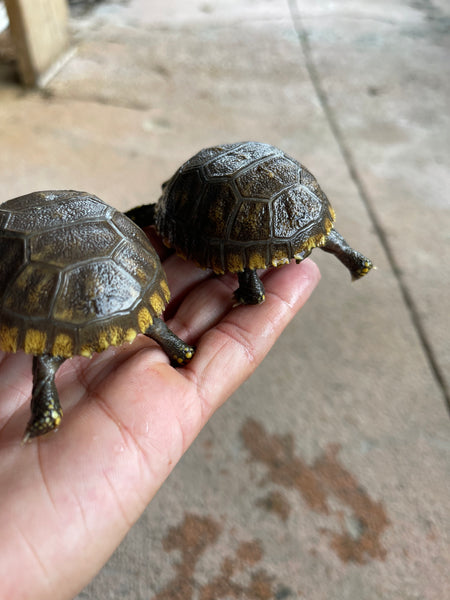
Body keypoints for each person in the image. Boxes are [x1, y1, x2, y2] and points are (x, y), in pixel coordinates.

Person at [0, 242, 320, 600]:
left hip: (52, 311)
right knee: (150, 320)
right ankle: (175, 346)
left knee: (46, 356)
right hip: (126, 293)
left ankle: (46, 408)